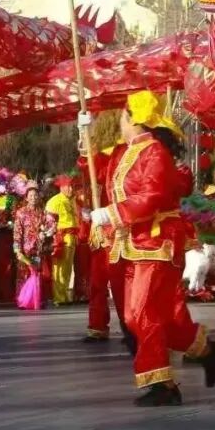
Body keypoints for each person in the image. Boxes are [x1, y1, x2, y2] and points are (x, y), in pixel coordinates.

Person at [89, 91, 215, 406]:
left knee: (141, 313)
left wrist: (112, 213)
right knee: (153, 316)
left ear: (133, 119)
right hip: (135, 243)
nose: (119, 123)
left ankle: (163, 384)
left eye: (122, 117)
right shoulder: (131, 151)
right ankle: (205, 350)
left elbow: (152, 196)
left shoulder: (154, 153)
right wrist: (86, 144)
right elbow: (102, 174)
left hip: (155, 241)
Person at [78, 143, 133, 349]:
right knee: (97, 283)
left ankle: (129, 327)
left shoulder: (126, 157)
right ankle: (97, 325)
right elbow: (90, 174)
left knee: (120, 286)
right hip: (100, 231)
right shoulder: (102, 162)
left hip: (118, 230)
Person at [45, 176, 79, 306]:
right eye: (68, 186)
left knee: (67, 268)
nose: (71, 189)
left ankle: (65, 295)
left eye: (72, 186)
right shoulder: (54, 201)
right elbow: (49, 222)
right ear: (61, 187)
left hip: (72, 238)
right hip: (60, 239)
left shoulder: (73, 200)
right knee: (58, 269)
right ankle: (59, 297)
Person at [12, 187, 48, 310]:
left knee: (37, 274)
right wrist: (17, 249)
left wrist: (45, 232)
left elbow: (48, 227)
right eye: (31, 195)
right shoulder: (21, 212)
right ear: (26, 198)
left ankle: (37, 299)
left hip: (38, 248)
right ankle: (22, 300)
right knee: (23, 274)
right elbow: (17, 232)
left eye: (35, 195)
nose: (33, 197)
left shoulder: (42, 212)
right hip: (25, 249)